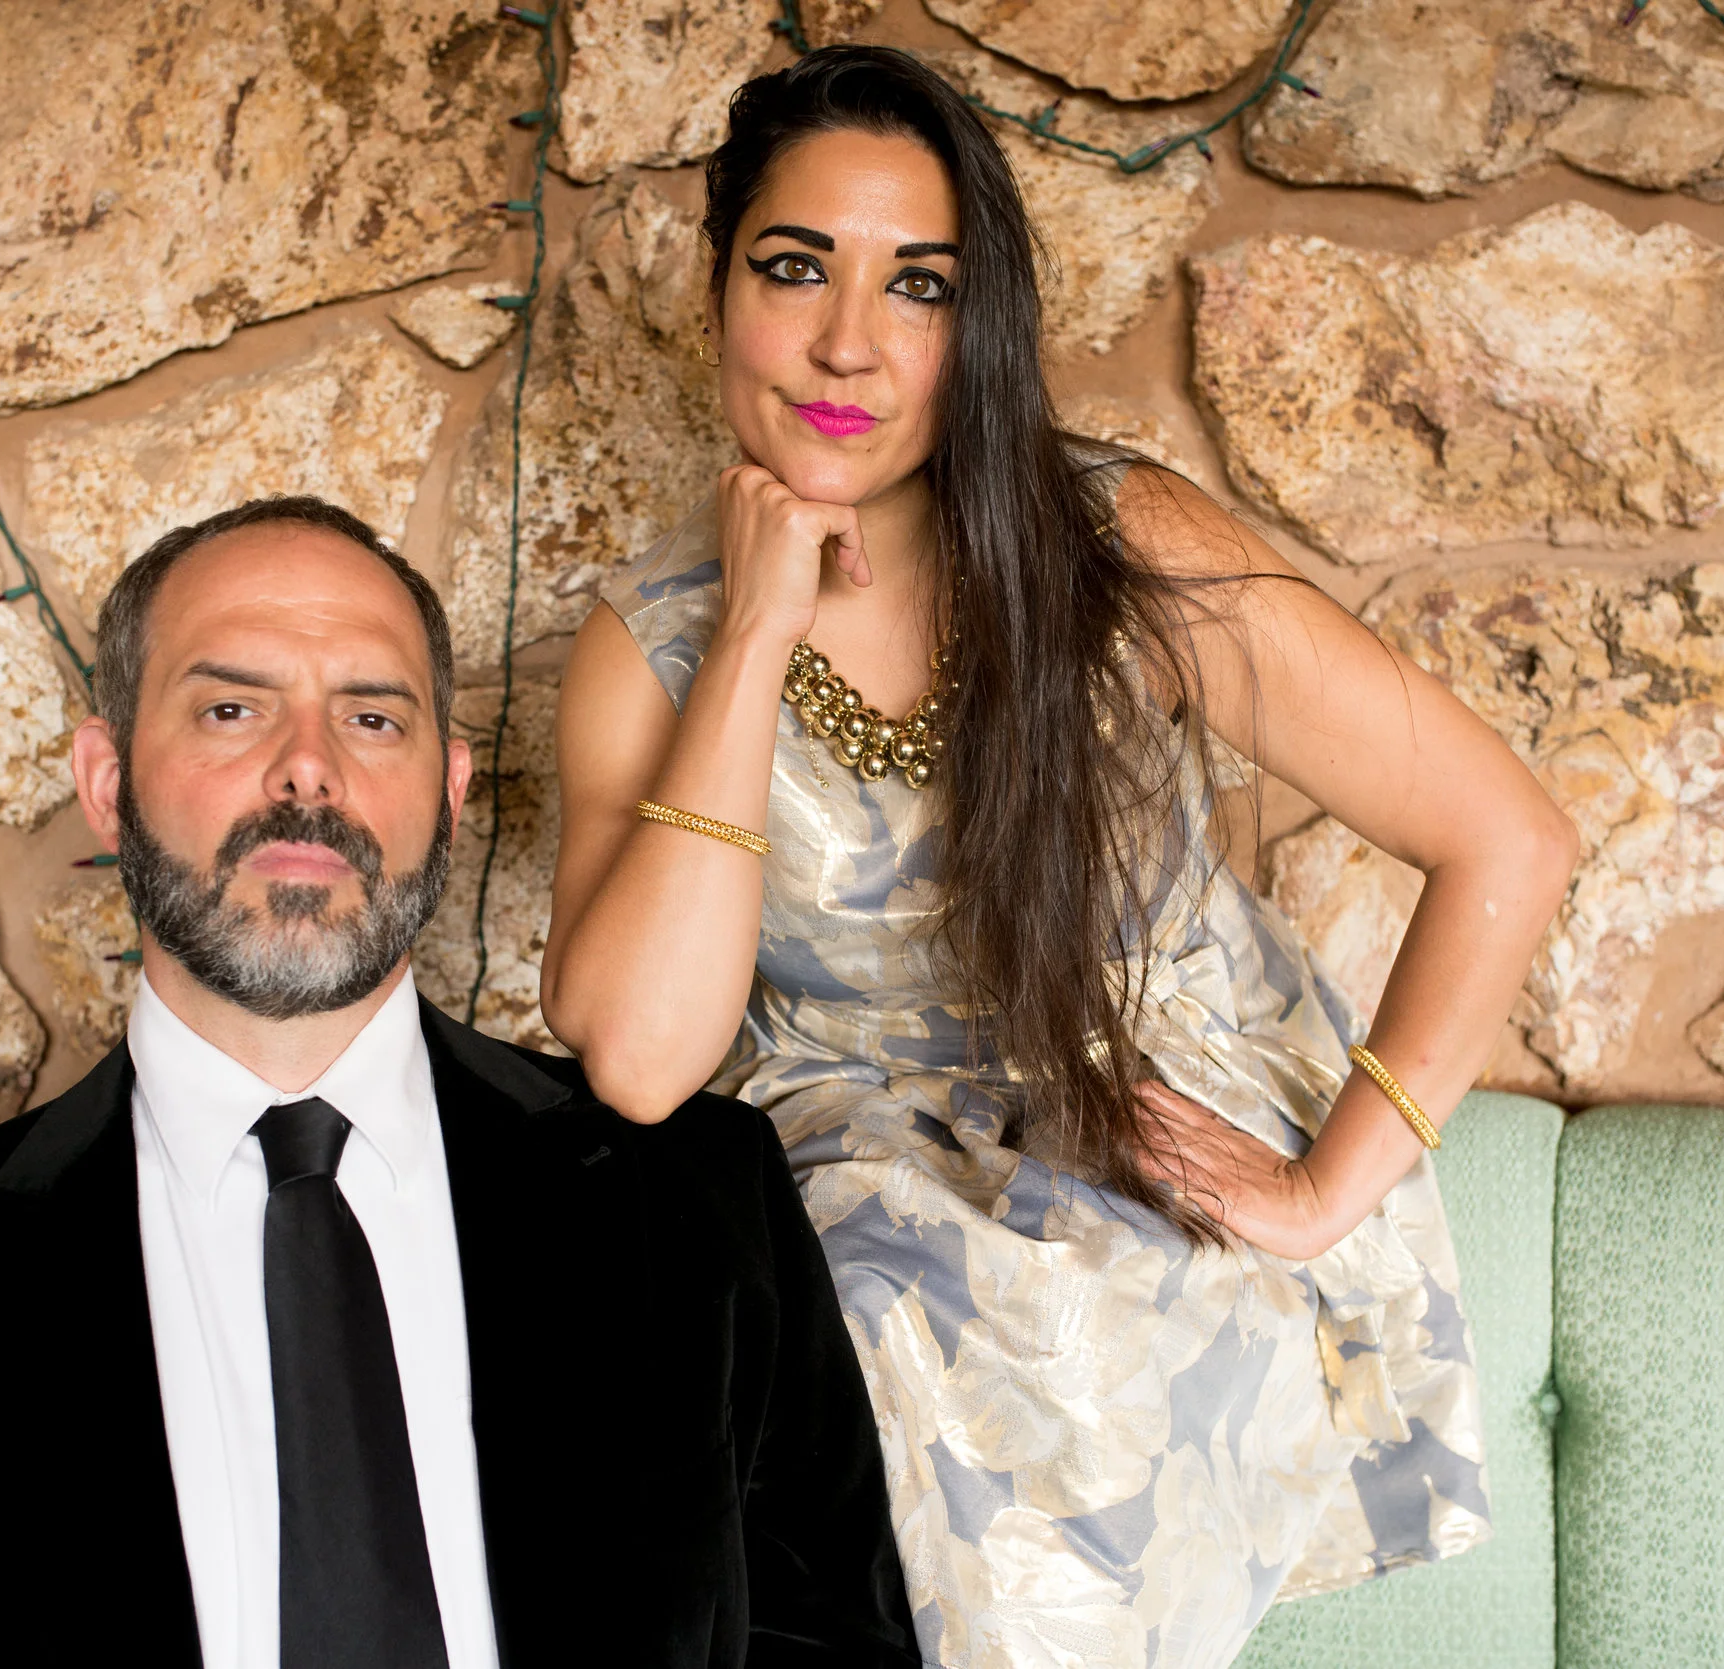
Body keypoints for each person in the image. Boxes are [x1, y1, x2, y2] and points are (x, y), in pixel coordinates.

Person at [542, 47, 1582, 1669]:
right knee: (781, 1352)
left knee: (947, 1357)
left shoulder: (1116, 542)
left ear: (981, 325)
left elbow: (1506, 835)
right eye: (796, 266)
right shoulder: (649, 641)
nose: (847, 341)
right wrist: (752, 631)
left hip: (1130, 1149)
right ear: (718, 286)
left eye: (921, 286)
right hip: (848, 1203)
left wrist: (1325, 1188)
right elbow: (638, 1057)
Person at [0, 496, 920, 1669]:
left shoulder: (701, 1203)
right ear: (106, 781)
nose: (307, 769)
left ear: (449, 793)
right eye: (231, 709)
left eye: (373, 718)